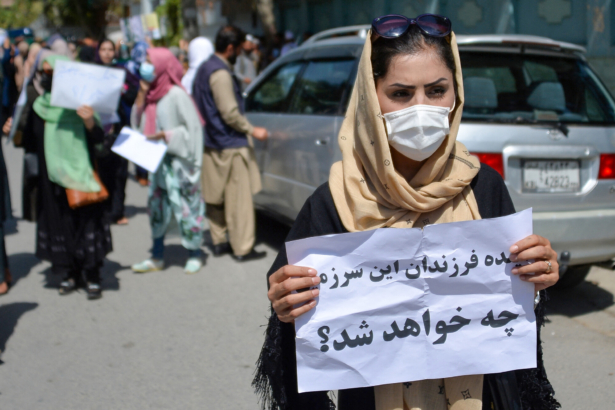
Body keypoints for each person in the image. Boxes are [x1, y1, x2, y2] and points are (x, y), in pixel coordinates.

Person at [253, 14, 561, 410]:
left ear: (456, 93)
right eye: (400, 93)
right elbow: (298, 318)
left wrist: (537, 278)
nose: (422, 108)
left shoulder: (484, 187)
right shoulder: (334, 201)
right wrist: (285, 304)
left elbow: (509, 302)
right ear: (370, 95)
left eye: (436, 90)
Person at [22, 54, 113, 300]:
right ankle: (70, 273)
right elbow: (28, 142)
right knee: (60, 224)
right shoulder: (39, 107)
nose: (48, 78)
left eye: (53, 73)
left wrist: (88, 123)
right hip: (51, 180)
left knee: (86, 224)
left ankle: (92, 275)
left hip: (82, 177)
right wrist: (12, 128)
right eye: (45, 73)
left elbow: (100, 144)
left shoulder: (83, 106)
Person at [193, 26, 268, 262]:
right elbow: (230, 113)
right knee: (239, 201)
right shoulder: (221, 74)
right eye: (238, 49)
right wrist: (252, 129)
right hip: (231, 145)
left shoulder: (204, 69)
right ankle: (243, 248)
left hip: (211, 141)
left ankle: (219, 242)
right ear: (230, 48)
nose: (240, 53)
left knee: (215, 198)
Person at [130, 48, 205, 274]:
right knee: (157, 209)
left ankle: (194, 254)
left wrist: (166, 136)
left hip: (180, 164)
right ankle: (157, 255)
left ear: (162, 65)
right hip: (158, 164)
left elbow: (192, 130)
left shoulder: (176, 94)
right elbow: (137, 125)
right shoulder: (151, 93)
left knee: (188, 209)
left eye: (150, 62)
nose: (146, 66)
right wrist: (141, 96)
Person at [95, 38, 138, 226]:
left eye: (110, 49)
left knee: (120, 172)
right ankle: (101, 211)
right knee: (101, 170)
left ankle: (117, 211)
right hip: (97, 129)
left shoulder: (122, 72)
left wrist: (123, 90)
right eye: (103, 49)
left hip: (119, 128)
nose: (106, 53)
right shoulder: (92, 72)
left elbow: (133, 95)